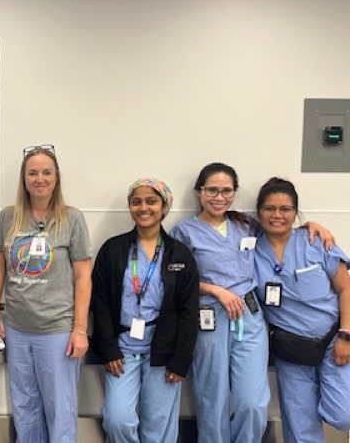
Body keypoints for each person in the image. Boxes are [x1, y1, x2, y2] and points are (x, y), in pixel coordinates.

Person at [169, 163, 335, 443]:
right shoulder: (184, 232)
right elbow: (175, 281)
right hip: (209, 319)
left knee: (254, 403)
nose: (219, 197)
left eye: (226, 191)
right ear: (199, 192)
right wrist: (216, 290)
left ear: (234, 193)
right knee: (213, 398)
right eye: (212, 190)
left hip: (250, 318)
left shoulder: (246, 224)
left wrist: (310, 225)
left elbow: (280, 229)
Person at [0, 145, 93, 443]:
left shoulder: (72, 219)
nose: (39, 179)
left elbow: (84, 277)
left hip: (57, 329)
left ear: (56, 177)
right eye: (33, 173)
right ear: (24, 178)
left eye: (46, 172)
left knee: (60, 406)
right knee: (25, 404)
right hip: (18, 328)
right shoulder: (9, 218)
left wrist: (80, 329)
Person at [91, 178, 199, 443]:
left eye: (151, 201)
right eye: (136, 201)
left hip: (163, 352)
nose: (143, 207)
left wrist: (181, 360)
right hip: (122, 350)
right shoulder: (113, 250)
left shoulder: (179, 254)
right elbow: (100, 301)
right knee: (118, 419)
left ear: (164, 207)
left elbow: (188, 310)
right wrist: (108, 348)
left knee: (159, 427)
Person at [253, 178, 350, 443]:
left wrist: (346, 336)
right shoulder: (251, 249)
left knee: (344, 415)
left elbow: (346, 289)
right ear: (259, 211)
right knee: (299, 427)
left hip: (334, 343)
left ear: (296, 213)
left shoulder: (316, 242)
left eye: (285, 209)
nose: (277, 215)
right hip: (290, 349)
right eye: (269, 208)